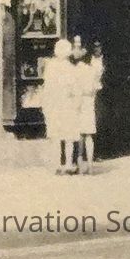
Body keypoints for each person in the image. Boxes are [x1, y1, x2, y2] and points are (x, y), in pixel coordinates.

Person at [45, 39, 81, 174]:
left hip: (56, 105)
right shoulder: (70, 68)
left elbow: (48, 89)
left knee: (56, 136)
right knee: (68, 136)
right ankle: (68, 163)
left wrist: (47, 106)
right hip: (67, 105)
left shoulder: (51, 67)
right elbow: (76, 90)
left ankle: (58, 164)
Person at [72, 37, 103, 175]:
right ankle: (90, 165)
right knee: (89, 135)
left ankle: (80, 165)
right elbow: (97, 87)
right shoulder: (93, 70)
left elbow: (72, 88)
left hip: (79, 102)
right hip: (89, 102)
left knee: (80, 135)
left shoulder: (76, 70)